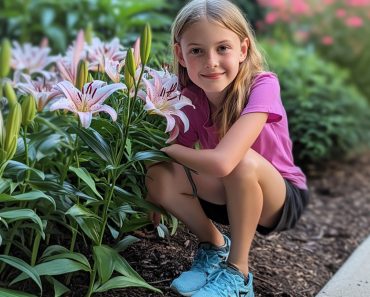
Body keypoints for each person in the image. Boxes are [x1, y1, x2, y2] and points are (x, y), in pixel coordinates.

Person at [145, 0, 309, 296]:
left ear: (243, 50)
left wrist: (163, 149)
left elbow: (223, 162)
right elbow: (178, 163)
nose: (211, 61)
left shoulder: (263, 86)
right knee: (160, 174)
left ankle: (238, 274)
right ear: (180, 55)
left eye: (223, 48)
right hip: (228, 191)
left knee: (240, 162)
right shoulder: (190, 98)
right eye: (197, 50)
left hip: (280, 198)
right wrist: (154, 187)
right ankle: (215, 247)